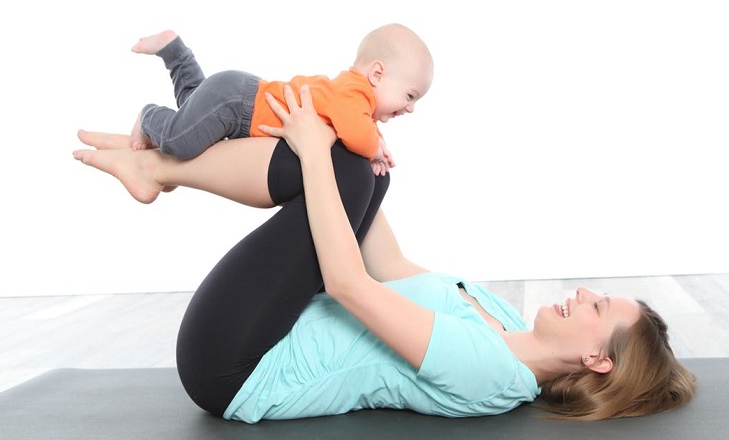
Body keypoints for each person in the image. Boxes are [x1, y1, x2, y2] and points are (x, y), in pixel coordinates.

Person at [73, 85, 695, 421]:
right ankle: (156, 161)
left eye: (599, 306)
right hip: (269, 330)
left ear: (596, 359)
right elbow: (388, 266)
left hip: (235, 368)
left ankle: (159, 163)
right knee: (362, 167)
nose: (583, 293)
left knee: (336, 165)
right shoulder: (501, 323)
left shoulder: (491, 371)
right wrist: (362, 165)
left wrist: (320, 157)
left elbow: (351, 286)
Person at [129, 23, 433, 179]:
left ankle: (174, 51)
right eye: (409, 96)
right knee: (179, 141)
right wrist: (375, 148)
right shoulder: (353, 92)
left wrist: (376, 145)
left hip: (237, 97)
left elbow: (362, 126)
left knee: (190, 105)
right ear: (377, 74)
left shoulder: (356, 99)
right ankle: (149, 117)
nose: (410, 108)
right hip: (236, 104)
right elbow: (357, 134)